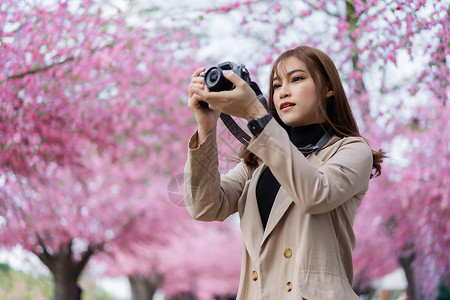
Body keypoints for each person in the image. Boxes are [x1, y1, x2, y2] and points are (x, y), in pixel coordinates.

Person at [184, 46, 385, 300]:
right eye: (276, 85)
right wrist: (206, 127)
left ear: (328, 88)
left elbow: (315, 195)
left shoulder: (351, 150)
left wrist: (256, 115)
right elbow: (205, 207)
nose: (283, 91)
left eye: (297, 79)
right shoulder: (258, 162)